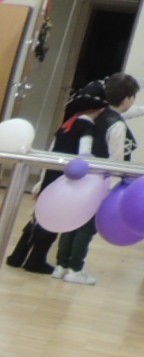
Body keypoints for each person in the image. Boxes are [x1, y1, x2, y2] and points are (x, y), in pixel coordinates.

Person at [7, 74, 138, 280]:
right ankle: (56, 264)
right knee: (69, 225)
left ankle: (36, 260)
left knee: (53, 220)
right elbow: (101, 158)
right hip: (81, 180)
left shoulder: (79, 121)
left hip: (62, 176)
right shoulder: (97, 126)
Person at [53, 72, 138, 285]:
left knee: (73, 221)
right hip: (101, 181)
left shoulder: (96, 114)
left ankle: (61, 265)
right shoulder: (116, 125)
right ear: (128, 98)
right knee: (87, 227)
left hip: (82, 176)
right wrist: (117, 186)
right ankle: (76, 269)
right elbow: (117, 160)